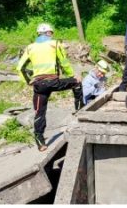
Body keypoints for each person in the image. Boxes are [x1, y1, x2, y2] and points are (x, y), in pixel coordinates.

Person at [16, 23, 82, 151]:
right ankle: (79, 111)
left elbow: (19, 68)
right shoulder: (55, 44)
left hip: (39, 85)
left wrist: (28, 82)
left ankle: (40, 141)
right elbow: (64, 63)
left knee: (39, 113)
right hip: (53, 82)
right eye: (51, 33)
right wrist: (73, 76)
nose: (52, 35)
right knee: (77, 83)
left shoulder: (30, 47)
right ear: (48, 33)